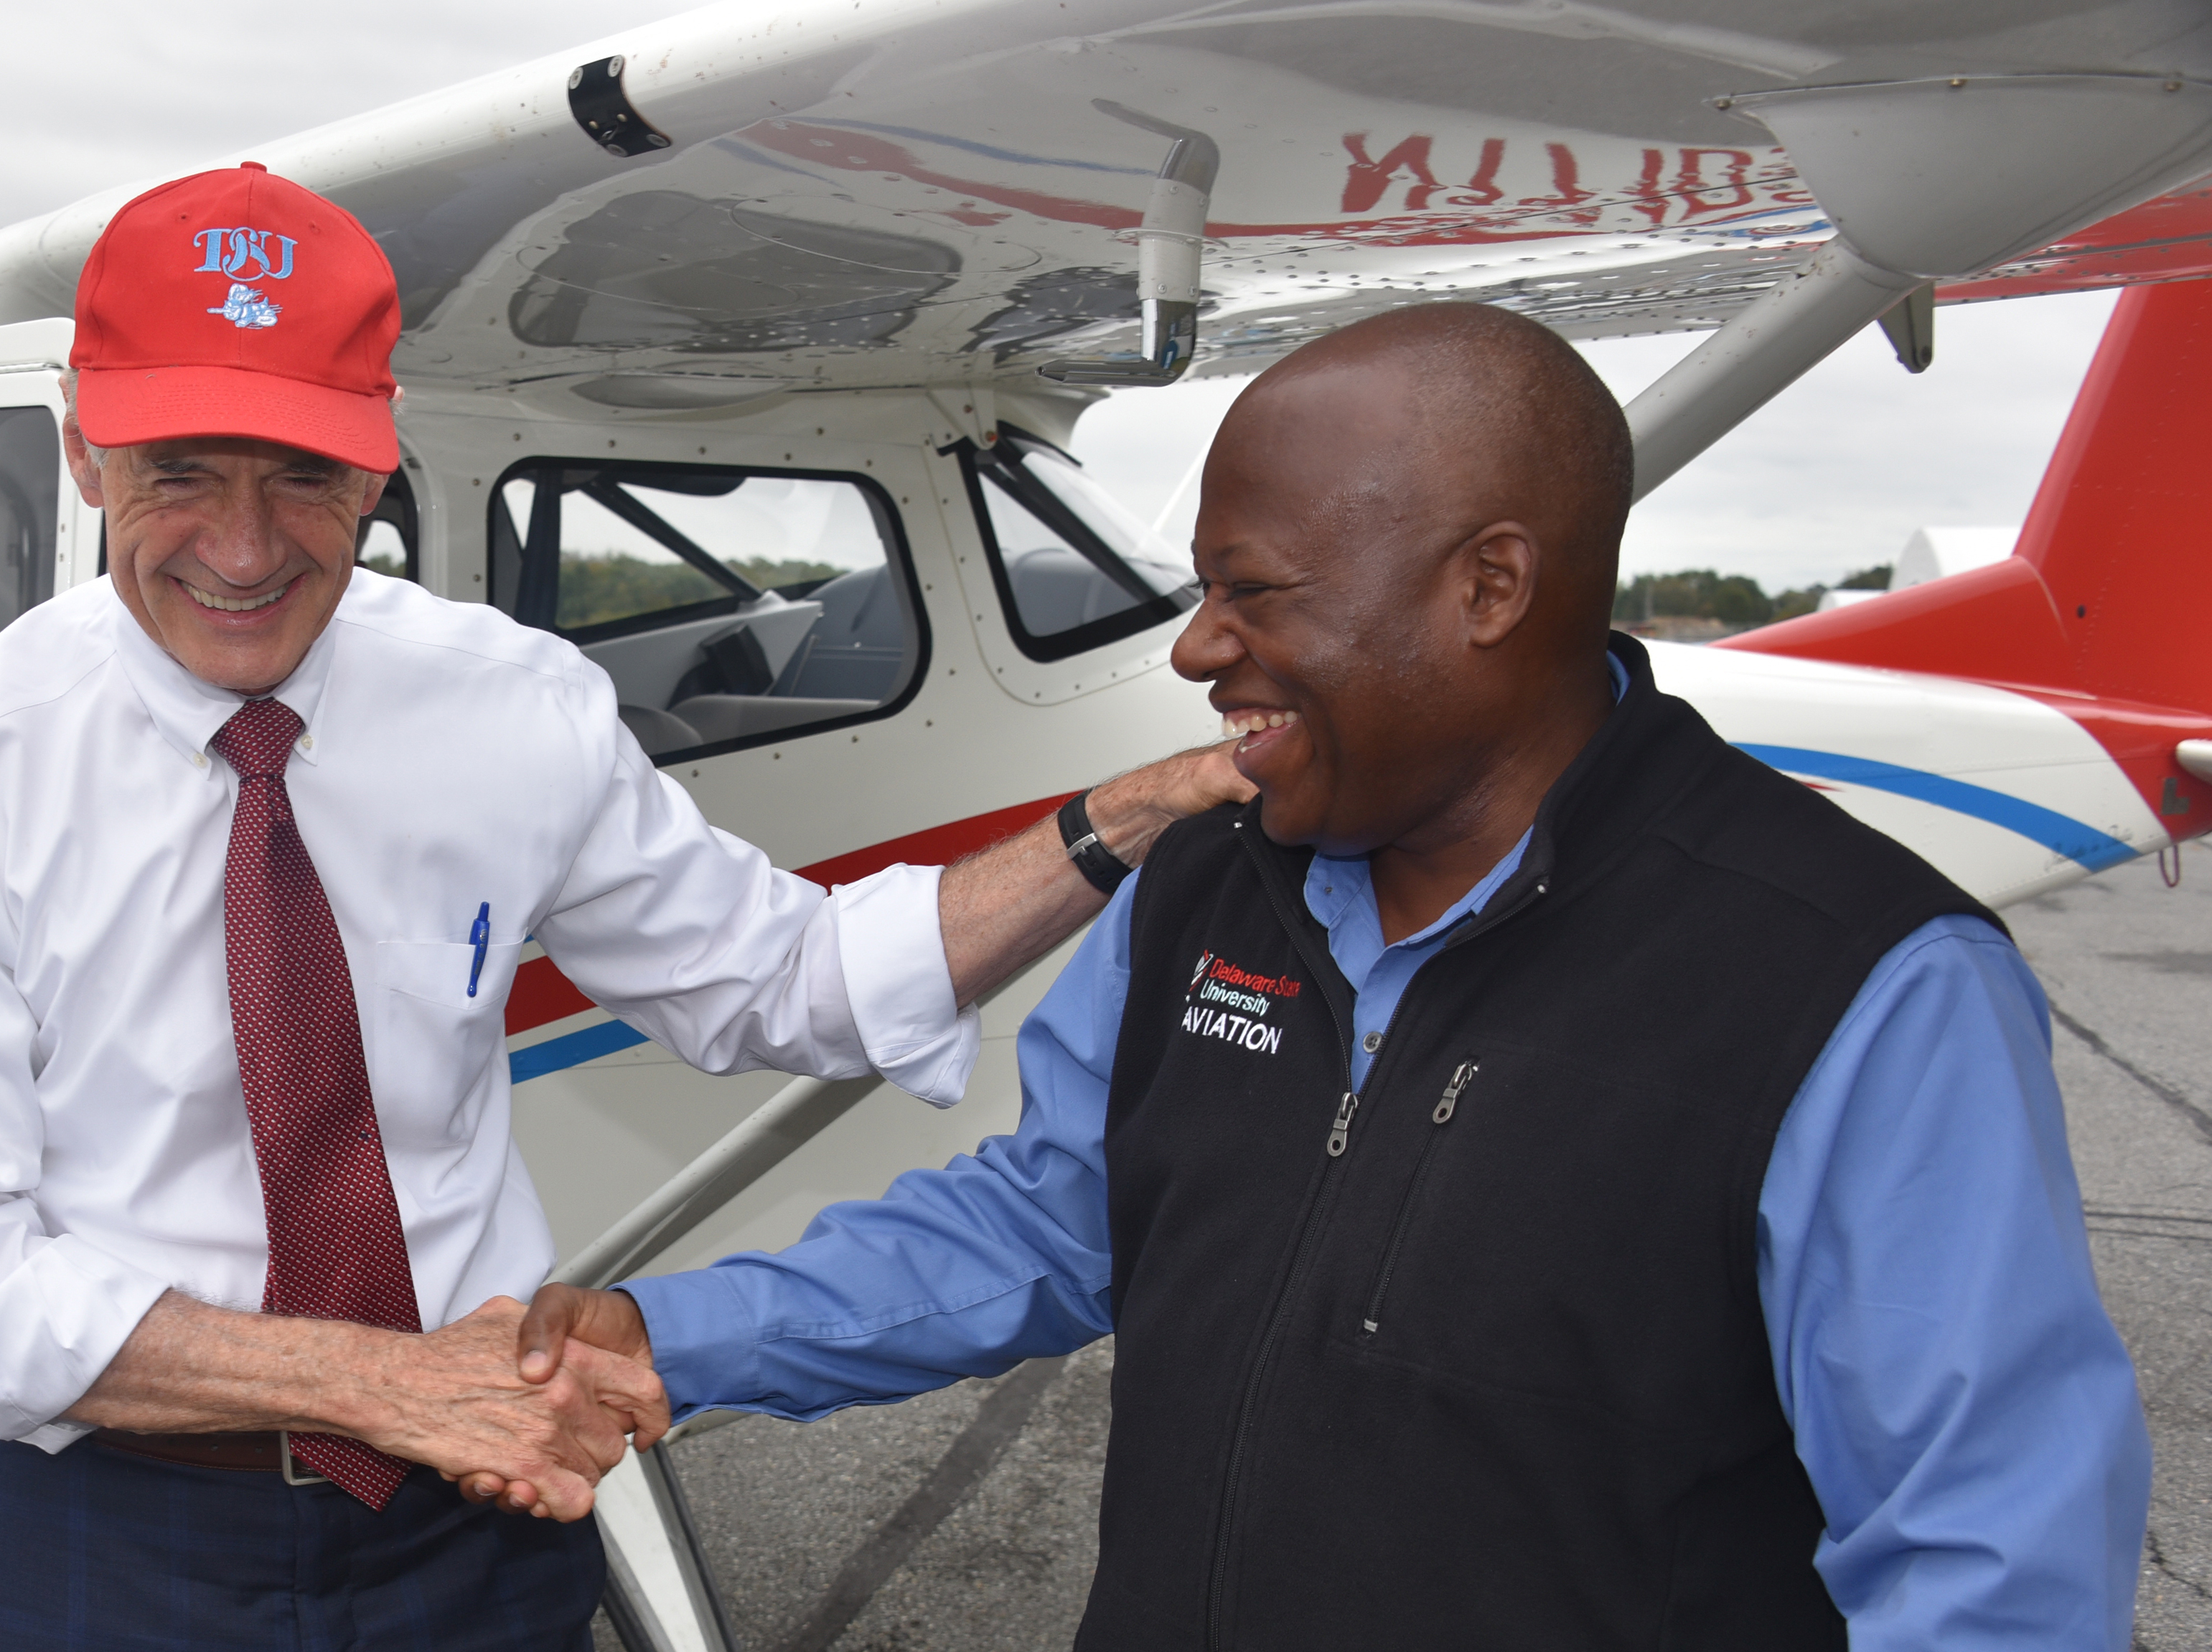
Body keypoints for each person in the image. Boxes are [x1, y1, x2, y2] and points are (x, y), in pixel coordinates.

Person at [505, 303, 2153, 1649]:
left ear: (1487, 587)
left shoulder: (1861, 983)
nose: (1194, 646)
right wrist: (667, 1334)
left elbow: (1986, 1572)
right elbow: (1051, 1216)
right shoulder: (1206, 880)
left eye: (1253, 591)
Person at [0, 163, 1240, 1652]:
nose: (241, 547)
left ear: (378, 467)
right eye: (180, 468)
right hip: (110, 1533)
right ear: (81, 454)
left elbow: (790, 982)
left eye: (302, 474)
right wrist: (382, 1384)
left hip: (465, 1528)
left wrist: (1114, 819)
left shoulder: (511, 708)